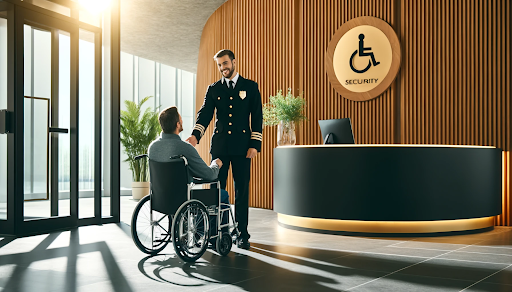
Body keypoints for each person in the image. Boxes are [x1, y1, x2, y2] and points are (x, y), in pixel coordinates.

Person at [186, 49, 263, 250]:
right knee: (216, 192)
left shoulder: (250, 86)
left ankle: (242, 233)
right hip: (219, 148)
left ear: (234, 62)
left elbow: (257, 117)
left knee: (241, 192)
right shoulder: (214, 89)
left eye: (225, 63)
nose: (223, 68)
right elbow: (205, 115)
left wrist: (255, 144)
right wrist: (195, 135)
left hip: (243, 148)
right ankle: (215, 233)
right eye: (220, 65)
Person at [148, 106, 230, 224]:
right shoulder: (185, 148)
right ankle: (208, 235)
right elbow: (209, 175)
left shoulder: (152, 147)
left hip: (160, 199)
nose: (182, 121)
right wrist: (215, 164)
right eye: (180, 119)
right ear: (177, 125)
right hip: (183, 199)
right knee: (222, 195)